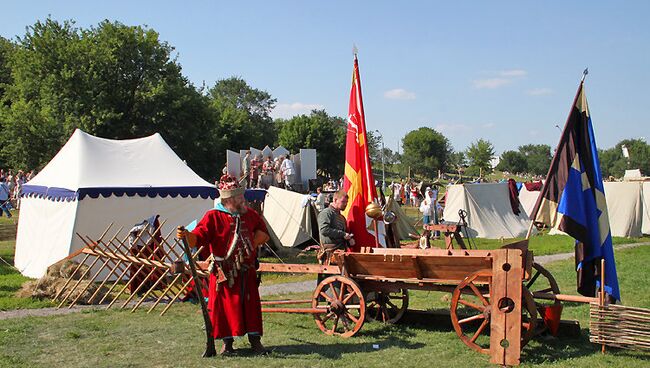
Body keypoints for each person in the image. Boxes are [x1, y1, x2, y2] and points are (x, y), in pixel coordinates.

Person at [176, 175, 270, 355]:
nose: (244, 199)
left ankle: (255, 342)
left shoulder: (250, 214)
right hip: (224, 273)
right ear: (229, 200)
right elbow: (198, 238)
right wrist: (187, 236)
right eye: (239, 197)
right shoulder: (213, 216)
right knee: (224, 309)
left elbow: (263, 232)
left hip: (247, 271)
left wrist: (250, 245)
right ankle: (227, 344)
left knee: (251, 308)